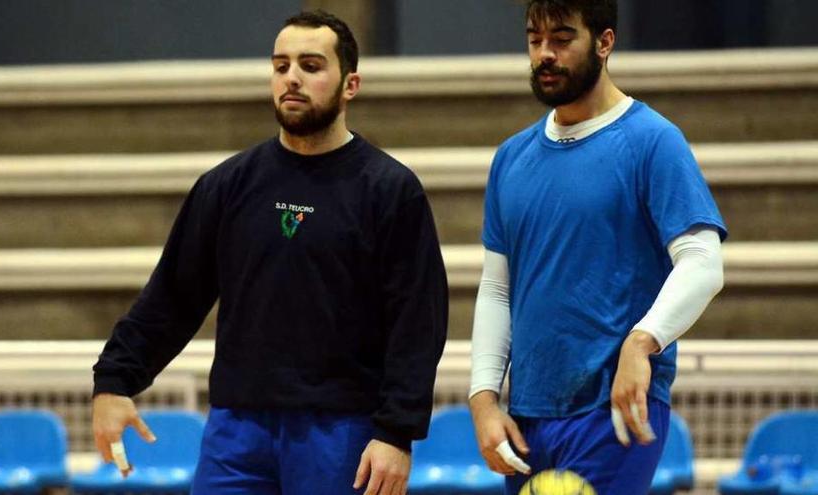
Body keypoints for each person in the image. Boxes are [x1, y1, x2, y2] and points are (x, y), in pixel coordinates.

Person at [90, 10, 448, 495]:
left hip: (341, 430)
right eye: (281, 66)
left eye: (311, 65)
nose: (292, 78)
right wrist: (115, 380)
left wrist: (395, 432)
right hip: (237, 431)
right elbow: (172, 296)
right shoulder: (227, 186)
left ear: (350, 84)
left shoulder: (389, 190)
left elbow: (416, 324)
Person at [467, 1, 726, 493]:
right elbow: (497, 290)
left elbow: (703, 261)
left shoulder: (653, 141)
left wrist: (643, 340)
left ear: (604, 43)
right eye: (534, 39)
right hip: (527, 417)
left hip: (613, 409)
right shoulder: (511, 158)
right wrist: (483, 398)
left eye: (562, 40)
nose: (545, 54)